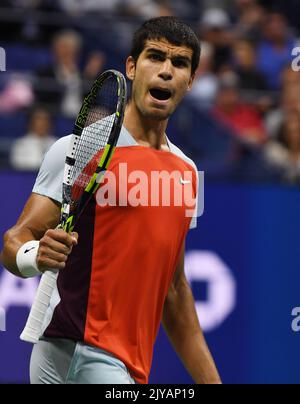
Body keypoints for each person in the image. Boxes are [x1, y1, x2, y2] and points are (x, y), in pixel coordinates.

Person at [2, 17, 221, 385]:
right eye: (155, 57)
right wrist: (35, 254)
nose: (166, 71)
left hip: (129, 362)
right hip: (72, 347)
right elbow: (14, 241)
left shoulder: (187, 173)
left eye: (179, 63)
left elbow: (174, 289)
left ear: (191, 80)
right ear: (132, 67)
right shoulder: (80, 149)